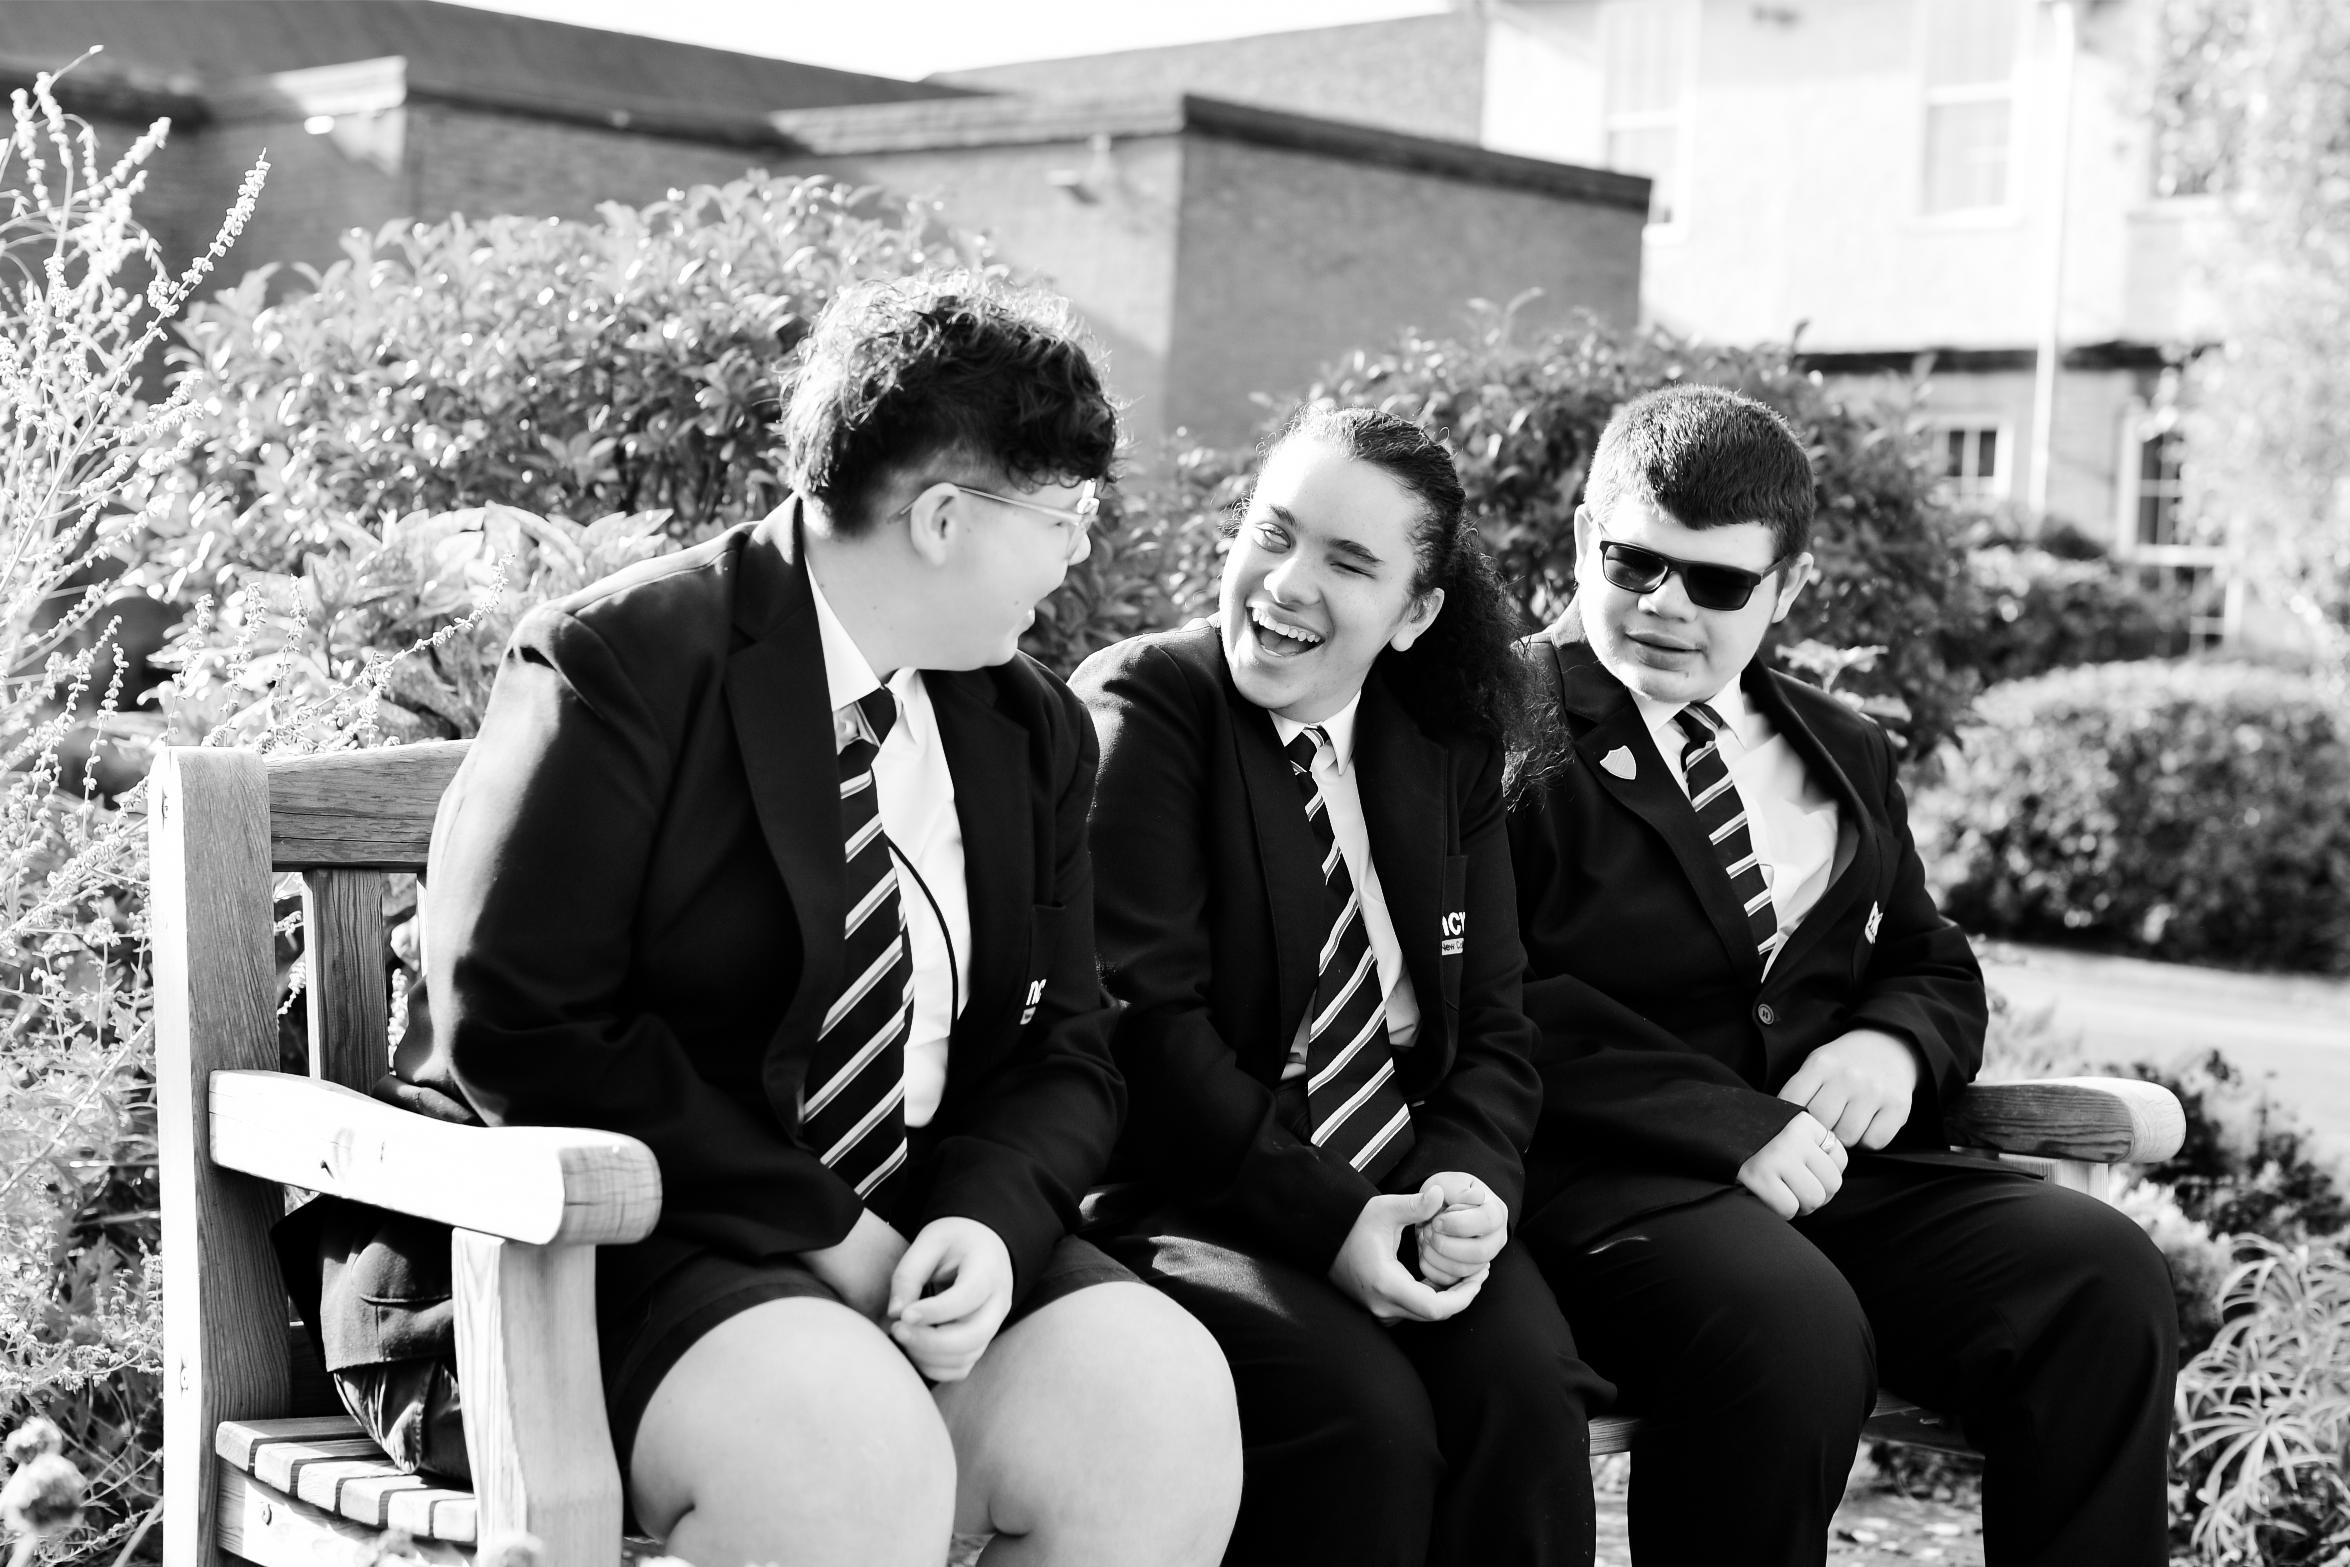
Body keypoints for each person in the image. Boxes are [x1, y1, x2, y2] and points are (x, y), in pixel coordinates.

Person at [317, 274, 1242, 1567]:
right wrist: (833, 1234)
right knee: (842, 1458)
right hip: (592, 1238)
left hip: (913, 1234)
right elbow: (522, 1026)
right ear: (942, 518)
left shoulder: (1027, 726)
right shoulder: (620, 661)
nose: (1078, 551)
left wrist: (986, 1220)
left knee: (1156, 1415)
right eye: (1065, 516)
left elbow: (1069, 1042)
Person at [1507, 383, 2179, 1567]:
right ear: (1581, 538)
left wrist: (1892, 1043)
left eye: (1715, 582)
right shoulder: (1493, 726)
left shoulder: (1841, 745)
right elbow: (1479, 994)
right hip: (1606, 1180)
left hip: (1840, 1178)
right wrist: (1728, 1125)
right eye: (1632, 563)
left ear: (1789, 587)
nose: (1664, 603)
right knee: (1790, 1326)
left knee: (2099, 1276)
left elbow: (1929, 960)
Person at [1073, 404, 1607, 1567]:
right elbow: (1144, 1029)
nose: (1286, 583)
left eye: (1349, 562)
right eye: (1273, 533)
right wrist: (1333, 1222)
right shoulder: (1152, 702)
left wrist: (1466, 1184)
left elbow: (1494, 1029)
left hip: (1400, 1173)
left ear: (1415, 613)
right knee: (1362, 1422)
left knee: (1525, 1395)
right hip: (1190, 1192)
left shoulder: (1444, 746)